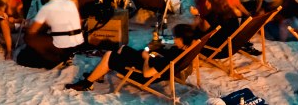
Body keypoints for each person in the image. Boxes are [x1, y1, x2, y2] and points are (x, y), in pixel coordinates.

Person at [65, 24, 199, 92]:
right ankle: (98, 75)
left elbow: (147, 74)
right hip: (152, 60)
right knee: (122, 48)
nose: (173, 38)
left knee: (110, 56)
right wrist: (158, 44)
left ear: (181, 39)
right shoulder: (186, 48)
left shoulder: (169, 60)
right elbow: (167, 43)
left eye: (175, 37)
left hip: (143, 71)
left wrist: (147, 57)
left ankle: (87, 83)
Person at [18, 0, 83, 69]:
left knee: (28, 38)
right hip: (75, 43)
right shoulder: (71, 4)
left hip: (63, 46)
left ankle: (54, 60)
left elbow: (32, 31)